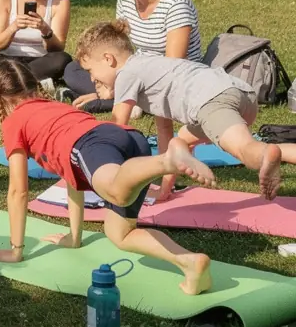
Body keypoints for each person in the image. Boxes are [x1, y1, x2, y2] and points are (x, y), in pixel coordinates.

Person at [0, 59, 215, 296]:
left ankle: (166, 161)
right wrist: (74, 236)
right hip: (128, 138)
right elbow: (72, 178)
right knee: (120, 234)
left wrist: (16, 250)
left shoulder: (14, 121)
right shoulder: (55, 107)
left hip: (93, 145)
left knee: (116, 192)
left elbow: (18, 191)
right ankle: (189, 262)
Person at [75, 21, 296, 202]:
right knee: (180, 142)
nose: (92, 78)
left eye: (90, 70)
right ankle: (272, 153)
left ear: (108, 59)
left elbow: (117, 127)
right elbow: (165, 132)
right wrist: (165, 187)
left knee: (246, 149)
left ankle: (266, 156)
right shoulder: (150, 65)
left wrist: (110, 175)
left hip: (212, 102)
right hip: (240, 94)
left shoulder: (126, 74)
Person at [64, 0, 200, 112]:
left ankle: (115, 100)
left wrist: (124, 82)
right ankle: (123, 98)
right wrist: (111, 75)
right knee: (74, 69)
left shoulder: (175, 4)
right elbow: (118, 48)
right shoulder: (125, 0)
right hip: (137, 70)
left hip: (171, 80)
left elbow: (172, 66)